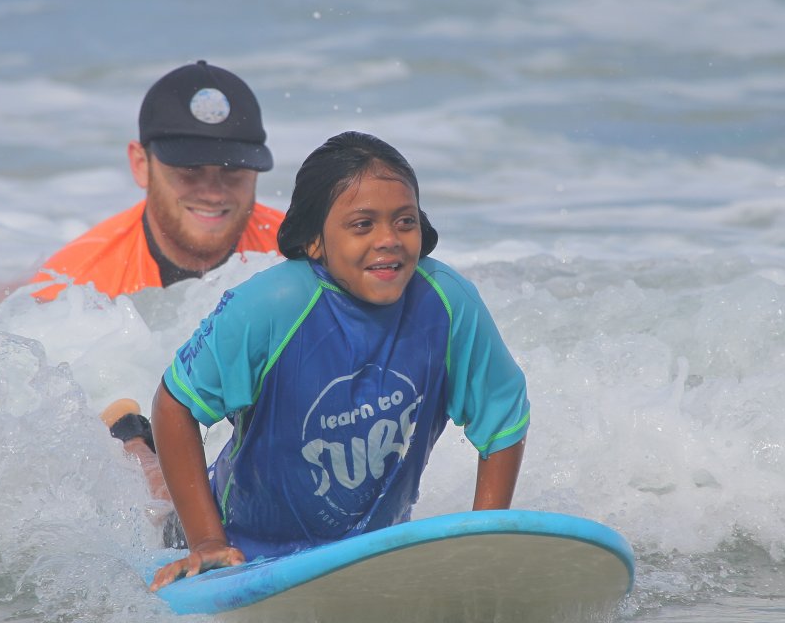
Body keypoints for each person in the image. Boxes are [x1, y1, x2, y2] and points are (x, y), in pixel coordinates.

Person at [124, 131, 530, 591]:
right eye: (362, 225)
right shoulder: (272, 304)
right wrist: (205, 541)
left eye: (405, 222)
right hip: (237, 543)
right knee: (158, 500)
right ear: (315, 241)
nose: (389, 240)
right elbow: (175, 404)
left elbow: (503, 419)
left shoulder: (447, 303)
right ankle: (130, 437)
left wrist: (483, 546)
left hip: (361, 556)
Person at [30, 60, 285, 301]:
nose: (214, 194)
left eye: (233, 170)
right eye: (190, 169)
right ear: (141, 165)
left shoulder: (304, 254)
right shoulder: (72, 290)